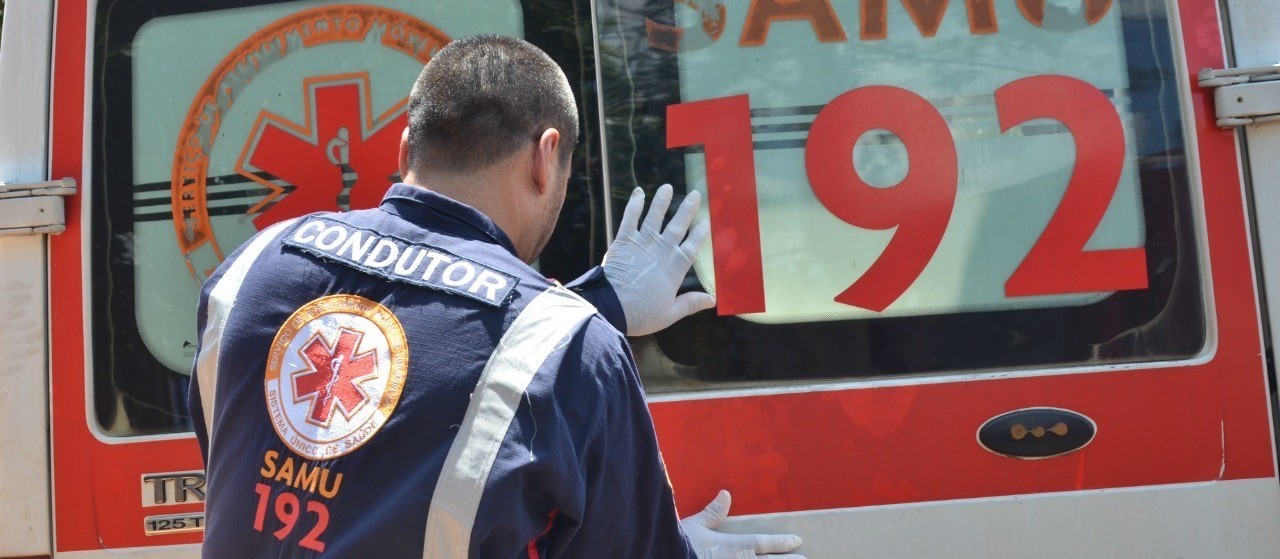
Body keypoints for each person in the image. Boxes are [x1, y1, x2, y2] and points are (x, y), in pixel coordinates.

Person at [189, 35, 804, 558]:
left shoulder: (251, 268)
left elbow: (299, 444)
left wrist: (597, 305)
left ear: (404, 149)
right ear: (545, 157)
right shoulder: (576, 354)